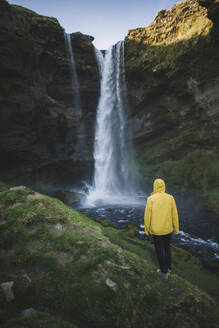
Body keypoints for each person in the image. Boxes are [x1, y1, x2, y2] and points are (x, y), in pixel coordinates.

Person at [144, 178, 179, 280]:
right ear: (164, 186)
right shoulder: (170, 198)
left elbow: (147, 216)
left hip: (156, 230)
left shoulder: (151, 199)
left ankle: (164, 272)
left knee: (159, 250)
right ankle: (168, 268)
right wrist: (176, 228)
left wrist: (147, 229)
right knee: (167, 248)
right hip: (167, 229)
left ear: (154, 186)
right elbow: (174, 214)